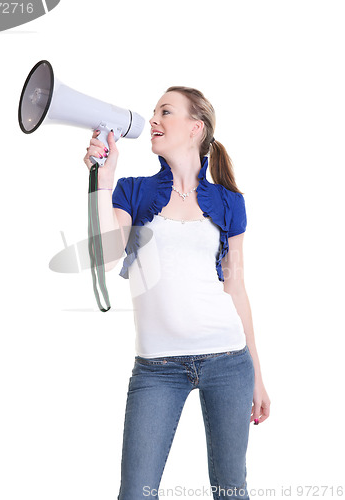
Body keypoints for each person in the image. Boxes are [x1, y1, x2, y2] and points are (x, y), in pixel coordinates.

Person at [83, 87, 271, 500]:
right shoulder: (133, 191)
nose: (153, 120)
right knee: (136, 492)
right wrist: (103, 176)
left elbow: (235, 285)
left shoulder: (229, 202)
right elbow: (107, 257)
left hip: (227, 360)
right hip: (157, 369)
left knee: (231, 490)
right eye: (153, 112)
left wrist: (256, 373)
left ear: (195, 128)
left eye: (165, 112)